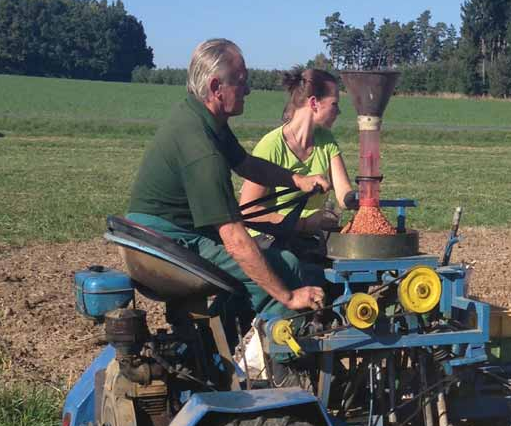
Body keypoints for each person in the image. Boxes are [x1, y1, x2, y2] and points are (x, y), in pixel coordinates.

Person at [126, 39, 327, 325]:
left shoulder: (201, 117)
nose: (248, 90)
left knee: (277, 263)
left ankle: (225, 347)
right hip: (169, 243)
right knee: (282, 271)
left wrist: (296, 180)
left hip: (168, 234)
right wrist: (290, 297)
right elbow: (233, 238)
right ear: (216, 87)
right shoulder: (201, 147)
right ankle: (280, 364)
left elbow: (246, 164)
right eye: (241, 82)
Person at [238, 66, 355, 248]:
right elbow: (249, 211)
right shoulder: (272, 146)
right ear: (314, 103)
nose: (338, 112)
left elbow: (344, 195)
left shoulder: (326, 140)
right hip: (269, 240)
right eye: (335, 104)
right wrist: (303, 225)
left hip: (307, 239)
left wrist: (363, 197)